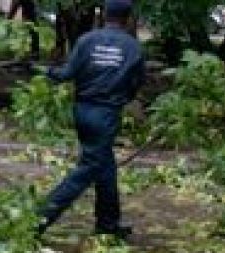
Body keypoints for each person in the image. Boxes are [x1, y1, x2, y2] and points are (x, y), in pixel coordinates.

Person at [36, 0, 144, 240]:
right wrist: (123, 97)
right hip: (106, 115)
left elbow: (66, 74)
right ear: (128, 18)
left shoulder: (86, 40)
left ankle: (108, 224)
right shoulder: (133, 47)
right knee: (88, 169)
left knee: (105, 166)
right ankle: (38, 220)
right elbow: (136, 83)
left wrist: (46, 72)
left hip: (82, 111)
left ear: (104, 15)